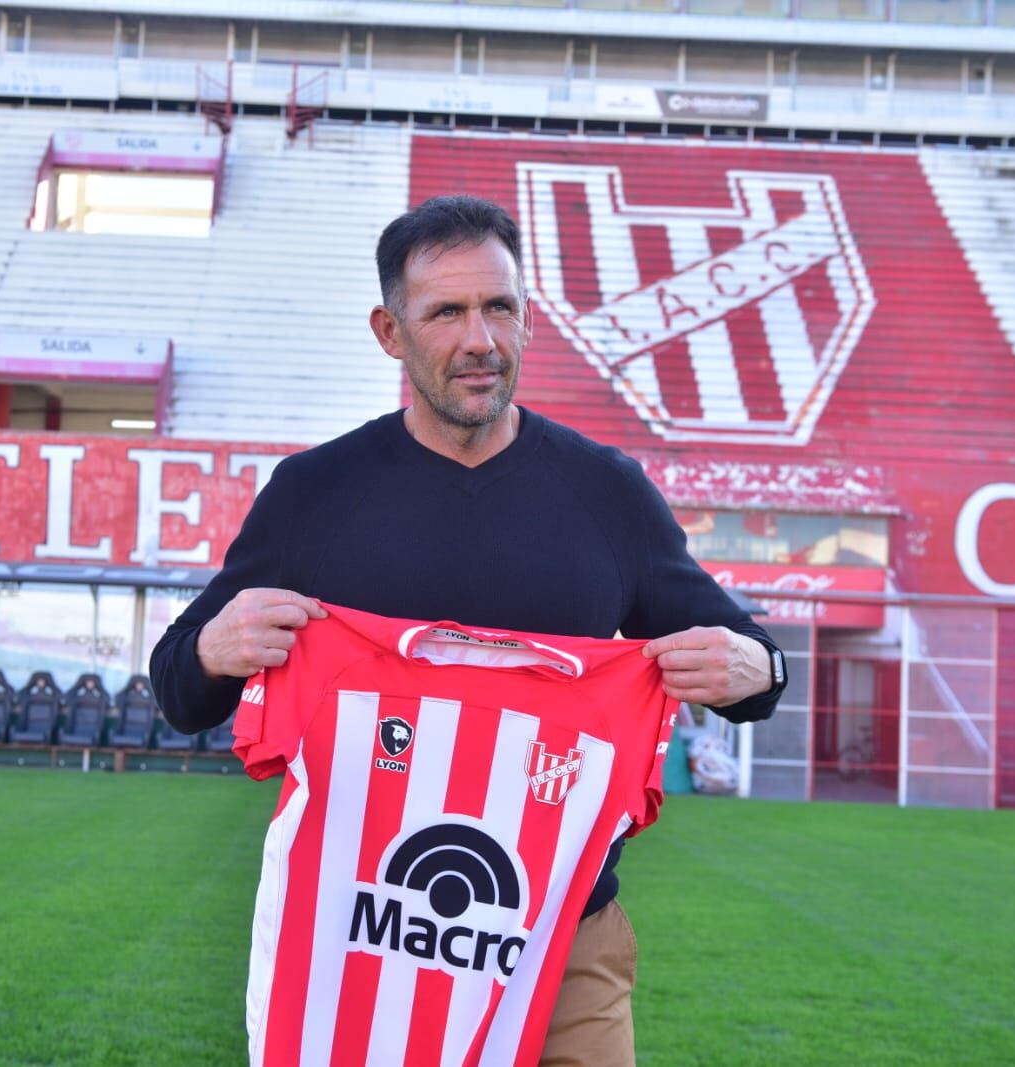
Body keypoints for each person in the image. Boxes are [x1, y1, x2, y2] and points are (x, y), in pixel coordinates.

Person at [150, 195, 786, 1065]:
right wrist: (215, 650)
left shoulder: (606, 494)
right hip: (363, 939)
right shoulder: (314, 494)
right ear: (390, 330)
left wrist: (757, 666)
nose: (480, 338)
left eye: (501, 307)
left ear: (528, 319)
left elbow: (744, 657)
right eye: (446, 311)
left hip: (566, 944)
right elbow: (178, 686)